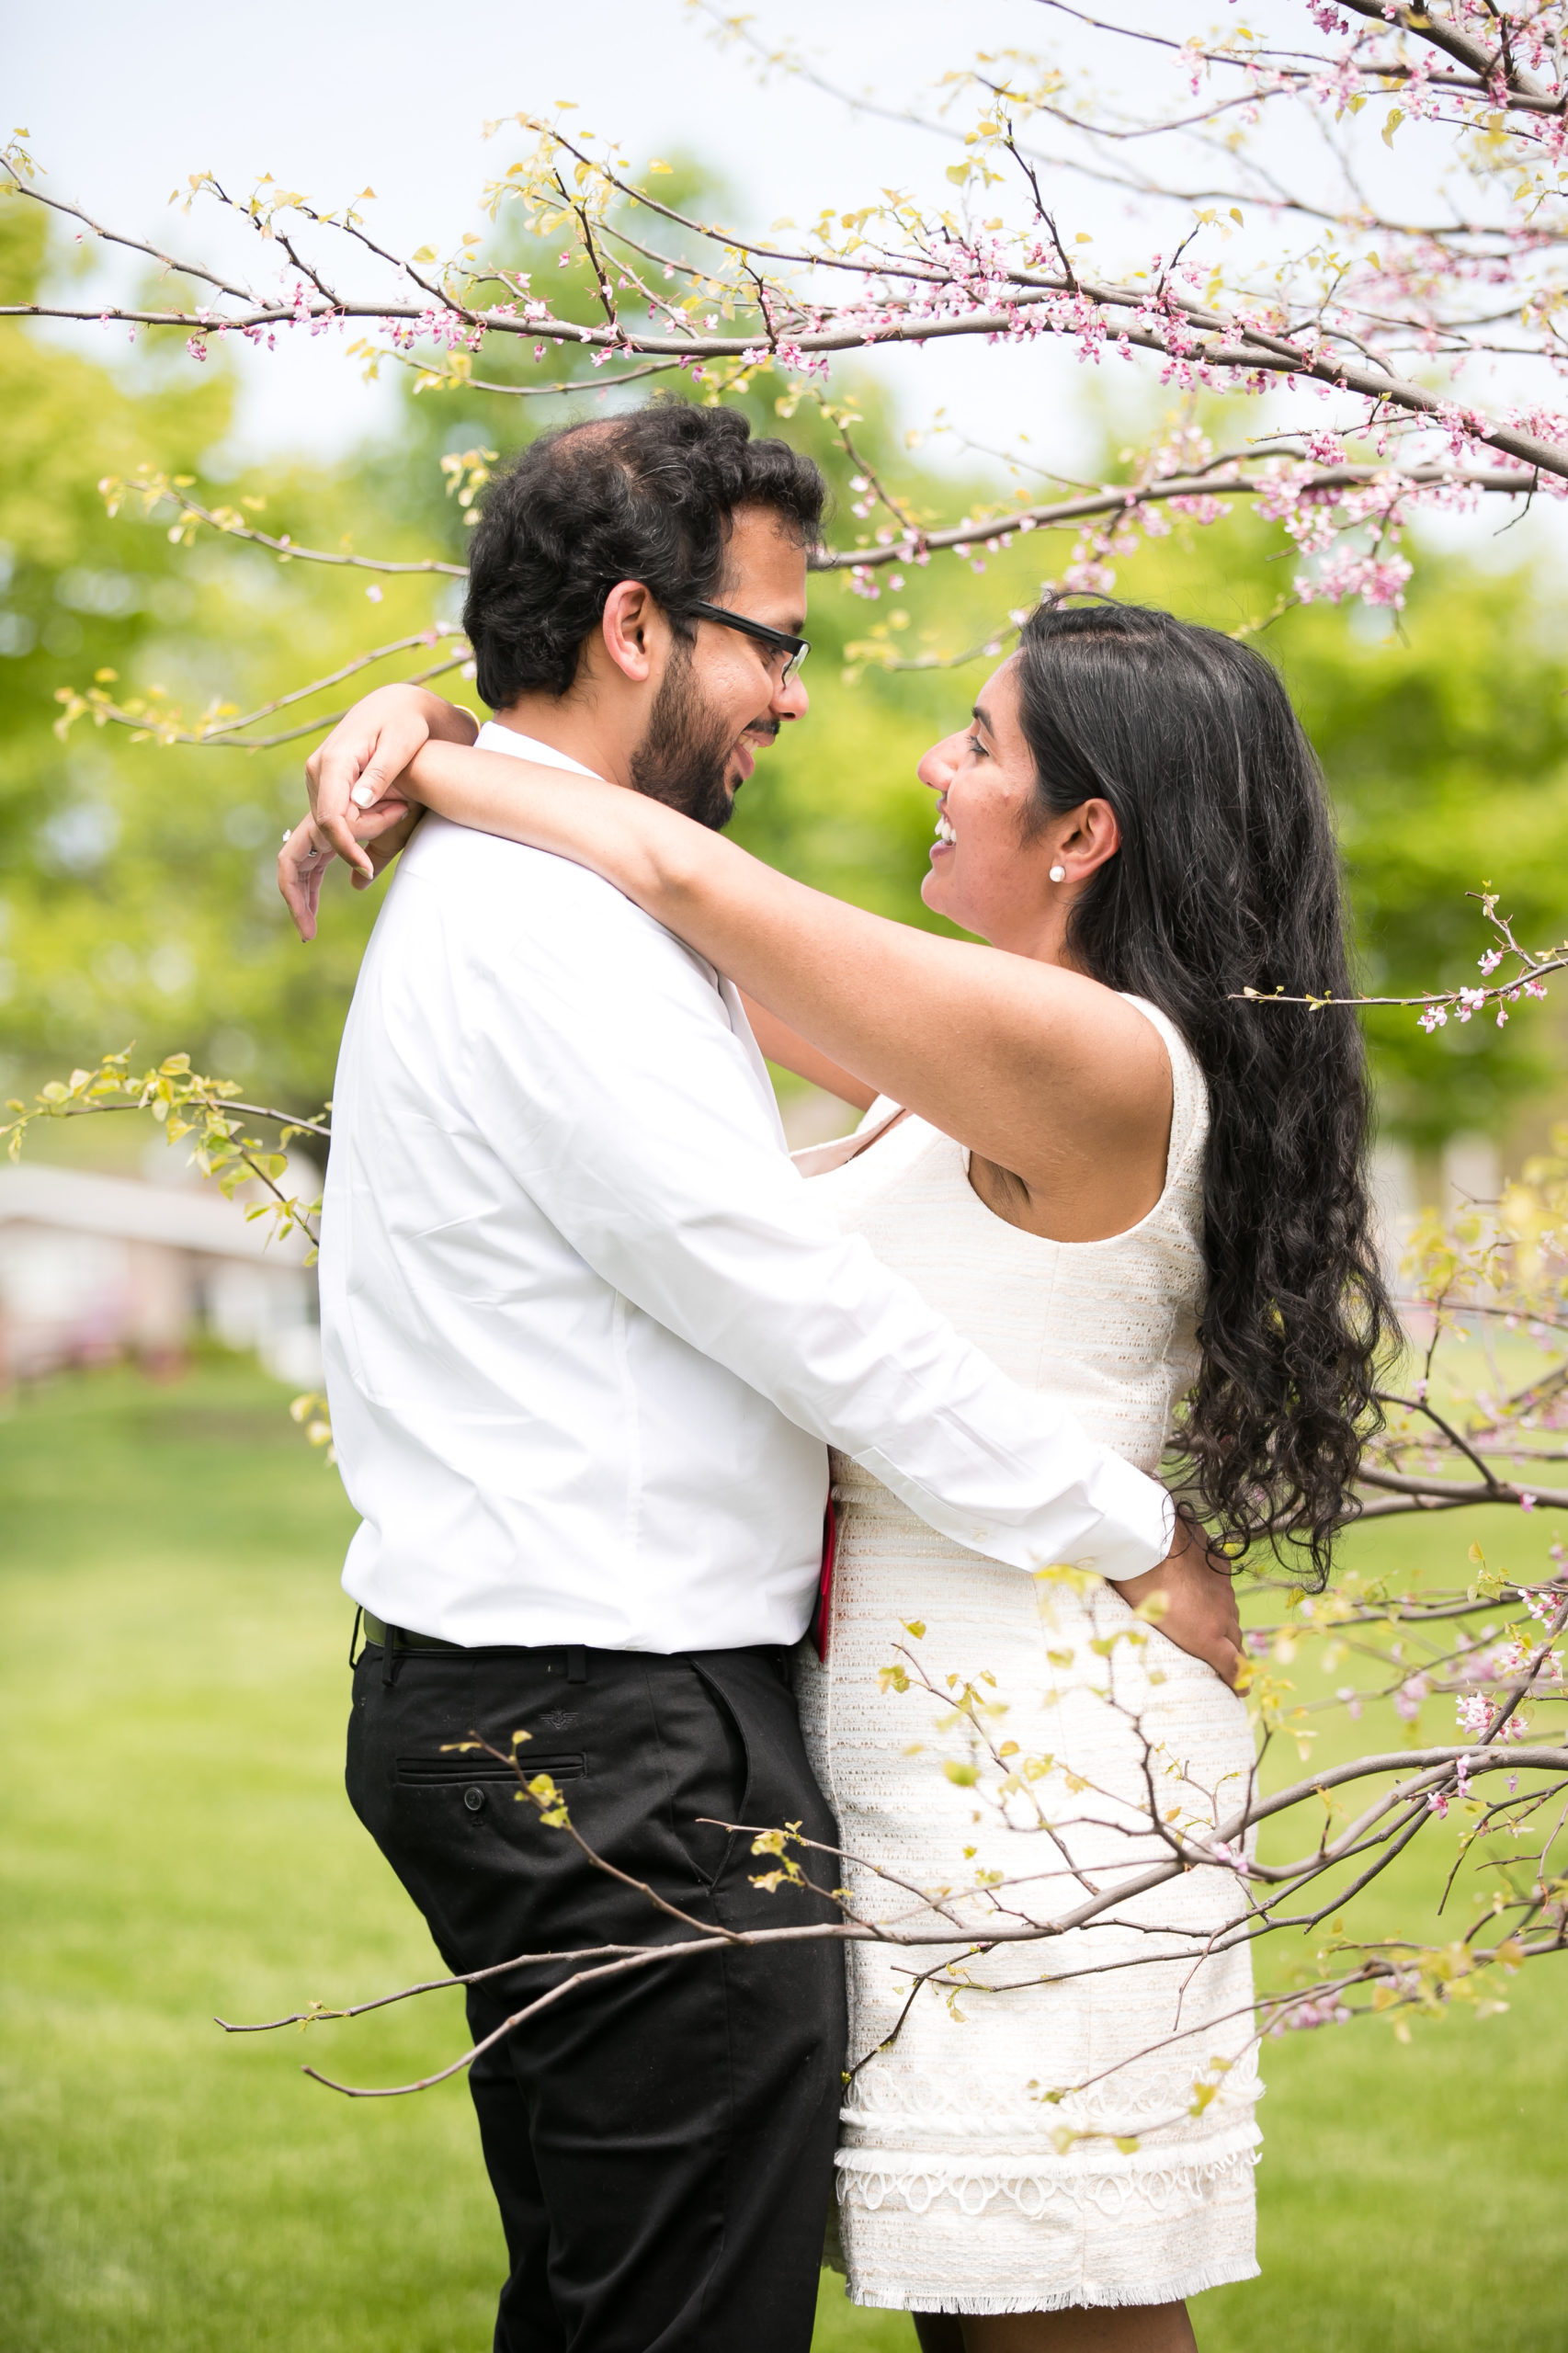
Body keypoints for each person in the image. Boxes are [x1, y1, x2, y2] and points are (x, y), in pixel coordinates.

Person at [289, 558, 1389, 2347]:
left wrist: (436, 751)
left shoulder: (1090, 1053)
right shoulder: (955, 1054)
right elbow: (650, 955)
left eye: (977, 742)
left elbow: (675, 870)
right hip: (925, 1762)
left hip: (1041, 1776)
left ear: (1084, 827)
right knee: (981, 2306)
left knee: (1057, 2310)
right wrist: (429, 725)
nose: (933, 772)